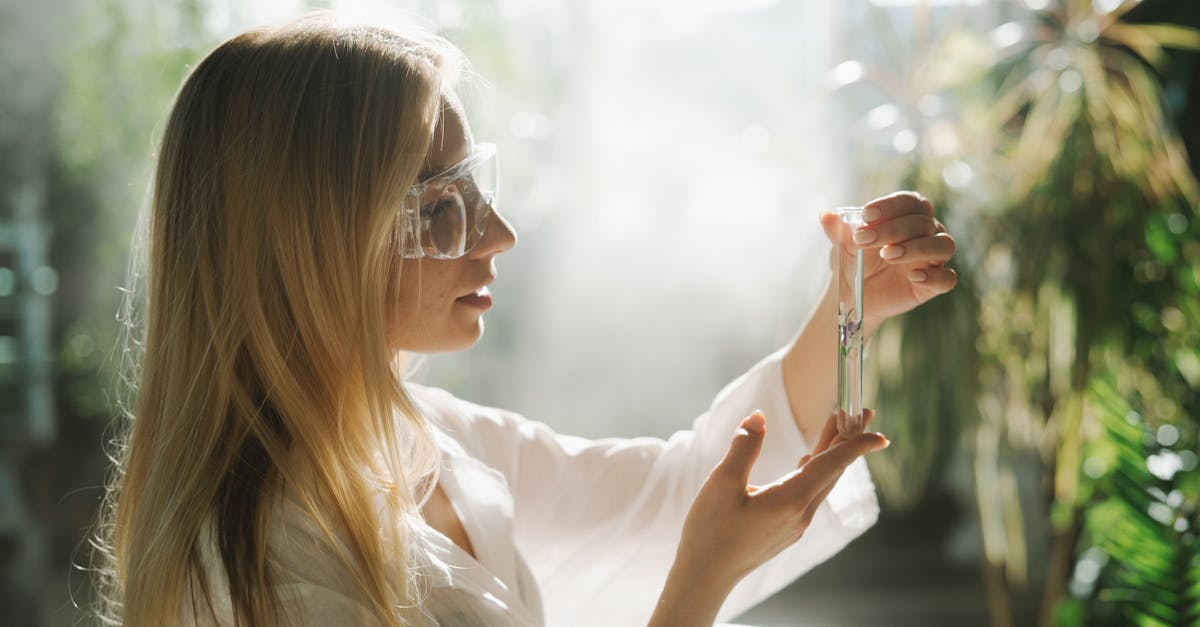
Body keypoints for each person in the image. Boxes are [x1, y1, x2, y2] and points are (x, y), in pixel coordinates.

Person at [91, 12, 957, 627]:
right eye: (442, 208)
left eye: (479, 189)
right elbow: (691, 538)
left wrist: (851, 306)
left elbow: (675, 497)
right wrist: (703, 579)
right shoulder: (267, 571)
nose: (500, 234)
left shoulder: (420, 440)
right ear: (315, 245)